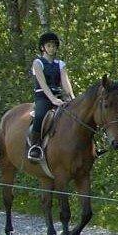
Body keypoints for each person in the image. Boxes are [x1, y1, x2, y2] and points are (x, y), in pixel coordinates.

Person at [27, 31, 74, 160]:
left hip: (59, 96)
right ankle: (35, 145)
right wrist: (53, 99)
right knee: (40, 115)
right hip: (43, 96)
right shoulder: (38, 63)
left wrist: (72, 98)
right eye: (49, 46)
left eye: (54, 46)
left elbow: (65, 82)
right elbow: (42, 84)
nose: (52, 48)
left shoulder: (60, 64)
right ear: (43, 47)